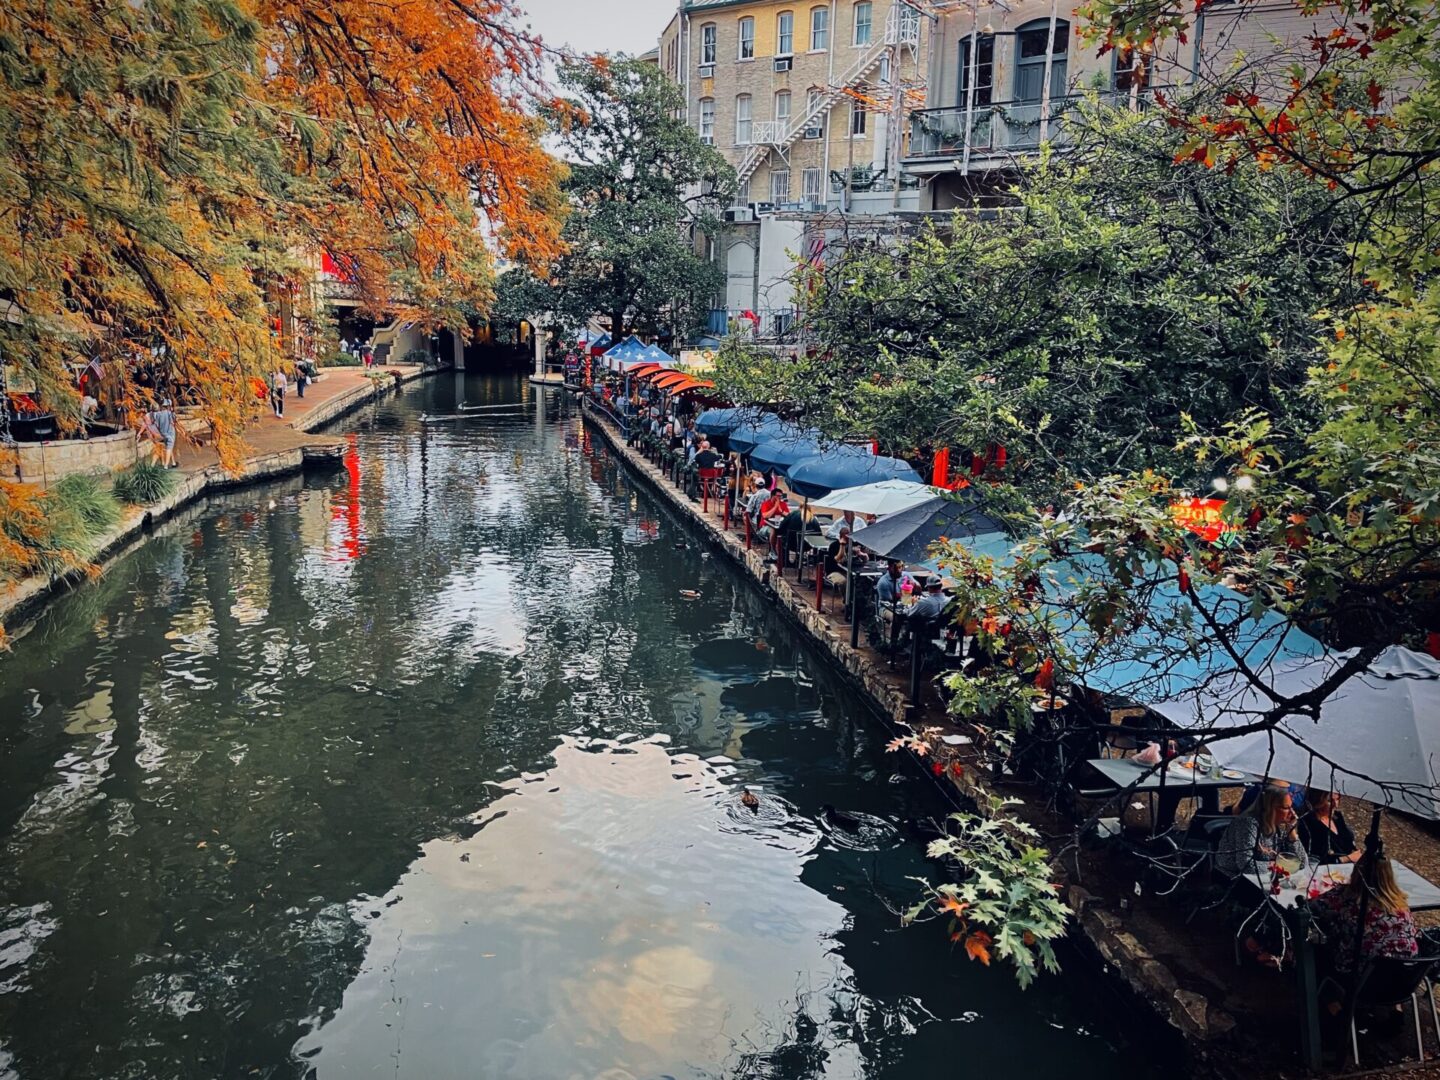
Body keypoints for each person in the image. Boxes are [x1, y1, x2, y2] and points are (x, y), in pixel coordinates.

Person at [1313, 853, 1419, 974]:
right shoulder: (1401, 907)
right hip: (1401, 980)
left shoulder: (1351, 904)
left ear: (1357, 871)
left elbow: (1314, 907)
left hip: (1356, 976)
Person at [1216, 788, 1309, 878]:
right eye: (1286, 808)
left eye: (1291, 807)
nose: (1292, 813)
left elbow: (1301, 864)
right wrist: (1279, 865)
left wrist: (1292, 834)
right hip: (1232, 876)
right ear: (1270, 808)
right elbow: (1246, 865)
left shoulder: (1281, 826)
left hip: (1266, 877)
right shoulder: (1248, 824)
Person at [1300, 789, 1360, 864]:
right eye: (1330, 801)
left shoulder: (1337, 817)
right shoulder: (1309, 823)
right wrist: (1347, 858)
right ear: (1318, 801)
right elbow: (1313, 860)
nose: (1335, 805)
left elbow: (1348, 843)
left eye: (1337, 799)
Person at [145, 399, 178, 468]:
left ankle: (173, 463)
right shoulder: (170, 413)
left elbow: (156, 424)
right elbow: (175, 421)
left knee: (167, 447)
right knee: (169, 448)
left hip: (162, 434)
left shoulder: (158, 414)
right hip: (170, 433)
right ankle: (165, 466)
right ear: (168, 406)